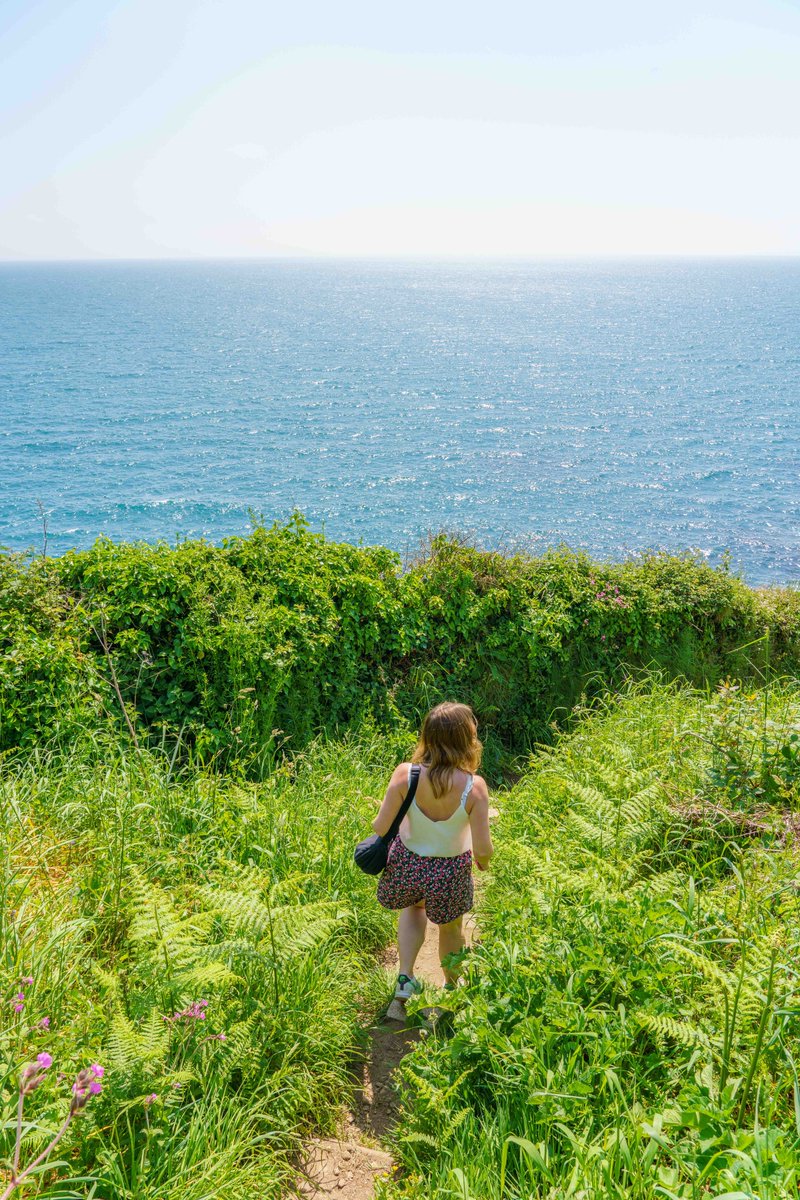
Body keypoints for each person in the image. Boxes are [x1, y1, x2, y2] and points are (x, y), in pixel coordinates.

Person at [372, 701, 494, 1001]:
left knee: (413, 910)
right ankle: (452, 989)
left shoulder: (406, 775)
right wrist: (483, 863)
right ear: (466, 741)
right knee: (451, 929)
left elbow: (380, 826)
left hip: (407, 862)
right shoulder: (474, 788)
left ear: (427, 736)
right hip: (451, 869)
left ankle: (405, 979)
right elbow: (483, 848)